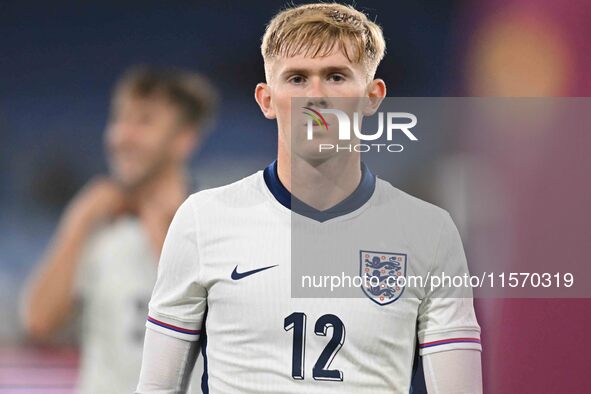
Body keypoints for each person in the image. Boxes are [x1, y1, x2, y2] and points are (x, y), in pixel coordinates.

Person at [136, 3, 482, 393]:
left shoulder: (429, 232)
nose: (315, 96)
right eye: (297, 79)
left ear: (372, 96)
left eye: (336, 76)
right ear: (266, 99)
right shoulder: (202, 220)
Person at [22, 66, 218, 393]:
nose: (123, 136)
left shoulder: (215, 222)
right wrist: (78, 221)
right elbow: (39, 321)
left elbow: (229, 330)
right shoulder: (99, 228)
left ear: (183, 140)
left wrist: (162, 231)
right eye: (119, 119)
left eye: (144, 121)